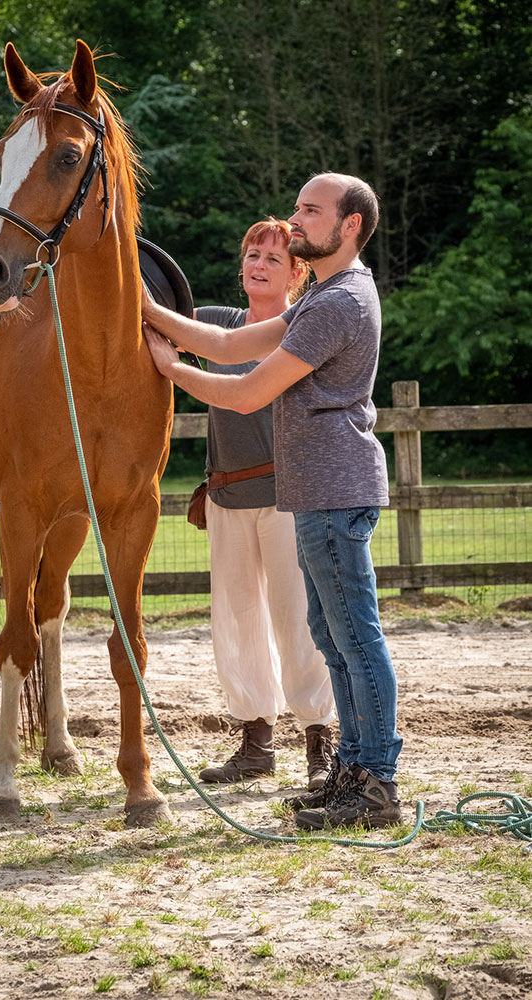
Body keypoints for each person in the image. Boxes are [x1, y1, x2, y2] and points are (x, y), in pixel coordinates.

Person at [142, 172, 403, 830]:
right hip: (316, 493)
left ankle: (373, 785)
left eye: (309, 212)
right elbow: (228, 345)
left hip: (333, 490)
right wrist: (142, 309)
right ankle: (351, 771)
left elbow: (246, 389)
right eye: (295, 209)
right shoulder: (320, 297)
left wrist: (170, 368)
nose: (295, 221)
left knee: (355, 641)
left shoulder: (340, 302)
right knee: (334, 640)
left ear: (348, 226)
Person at [195, 218, 336, 788]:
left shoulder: (302, 327)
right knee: (236, 620)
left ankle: (318, 743)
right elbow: (149, 311)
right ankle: (256, 742)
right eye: (252, 253)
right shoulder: (216, 325)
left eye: (273, 259)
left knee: (298, 619)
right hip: (226, 494)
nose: (257, 263)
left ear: (296, 273)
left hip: (287, 496)